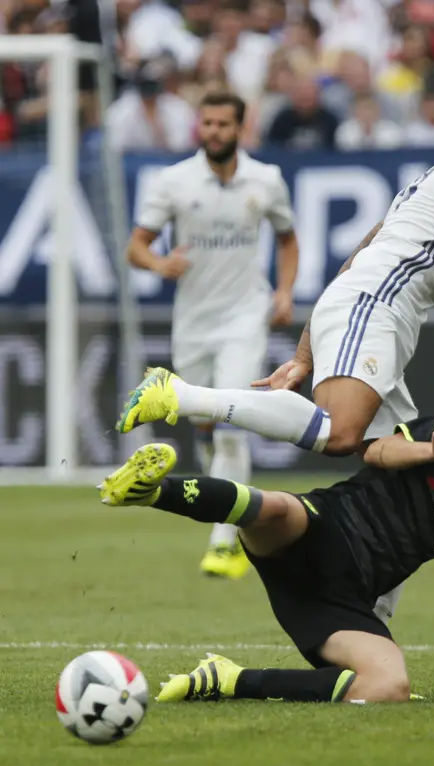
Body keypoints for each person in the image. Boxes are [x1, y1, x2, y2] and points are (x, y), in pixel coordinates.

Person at [117, 84, 434, 620]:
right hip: (373, 310)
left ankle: (372, 624)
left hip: (368, 313)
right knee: (340, 434)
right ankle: (180, 395)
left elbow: (365, 248)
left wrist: (306, 352)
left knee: (413, 479)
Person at [99, 408, 434, 703]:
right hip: (323, 528)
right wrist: (433, 450)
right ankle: (148, 491)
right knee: (273, 508)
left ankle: (226, 681)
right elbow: (376, 452)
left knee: (389, 687)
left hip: (340, 602)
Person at [126, 91, 299, 579]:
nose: (214, 132)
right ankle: (230, 504)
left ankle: (227, 539)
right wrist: (160, 263)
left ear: (240, 128)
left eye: (224, 124)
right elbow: (135, 247)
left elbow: (288, 239)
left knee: (229, 422)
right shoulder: (174, 181)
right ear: (198, 127)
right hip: (193, 323)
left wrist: (284, 292)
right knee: (203, 427)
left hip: (245, 317)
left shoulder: (266, 180)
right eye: (207, 123)